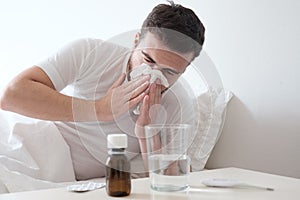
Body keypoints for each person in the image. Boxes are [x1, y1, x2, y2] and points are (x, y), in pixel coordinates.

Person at [0, 1, 205, 180]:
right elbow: (12, 96)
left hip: (72, 180)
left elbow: (170, 183)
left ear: (184, 70)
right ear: (135, 41)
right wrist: (100, 109)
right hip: (29, 148)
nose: (153, 77)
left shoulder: (180, 105)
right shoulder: (91, 53)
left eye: (169, 72)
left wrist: (147, 133)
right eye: (148, 60)